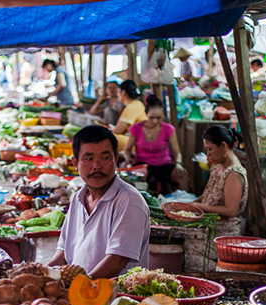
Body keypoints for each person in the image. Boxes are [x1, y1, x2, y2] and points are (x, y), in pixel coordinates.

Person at [47, 125, 150, 278]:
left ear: (116, 160)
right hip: (79, 291)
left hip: (114, 296)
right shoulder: (77, 198)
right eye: (88, 159)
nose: (97, 166)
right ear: (75, 163)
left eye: (105, 158)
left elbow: (118, 260)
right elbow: (63, 252)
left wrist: (81, 287)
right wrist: (43, 273)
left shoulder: (129, 201)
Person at [121, 97, 186, 195]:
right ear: (146, 114)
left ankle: (183, 201)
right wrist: (127, 158)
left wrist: (178, 164)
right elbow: (127, 150)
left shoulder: (168, 129)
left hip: (163, 164)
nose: (155, 121)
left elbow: (177, 153)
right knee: (134, 178)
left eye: (158, 118)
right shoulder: (136, 129)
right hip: (143, 165)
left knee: (181, 175)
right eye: (152, 117)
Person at [192, 126, 248, 221]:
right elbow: (209, 195)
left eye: (210, 149)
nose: (208, 154)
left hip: (223, 230)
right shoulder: (218, 165)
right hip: (208, 224)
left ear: (223, 146)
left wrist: (198, 206)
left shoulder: (233, 174)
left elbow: (231, 210)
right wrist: (190, 205)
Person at [108, 79, 147, 152]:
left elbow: (118, 130)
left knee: (108, 138)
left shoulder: (131, 107)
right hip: (142, 141)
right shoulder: (138, 104)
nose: (117, 94)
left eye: (118, 92)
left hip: (138, 144)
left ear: (123, 92)